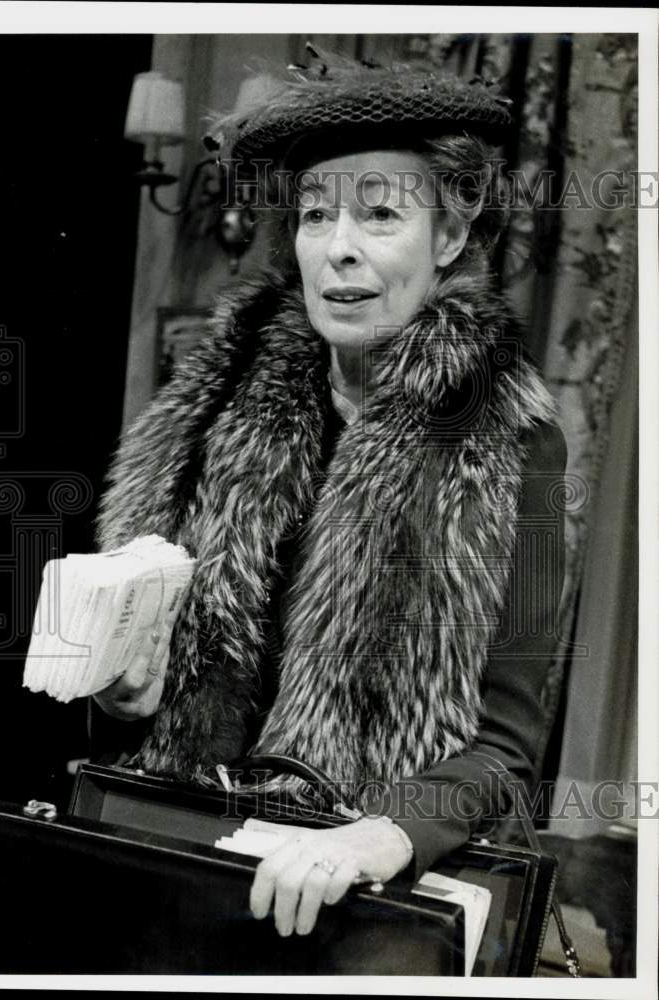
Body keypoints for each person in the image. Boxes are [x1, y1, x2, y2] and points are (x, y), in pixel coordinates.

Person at [91, 52, 567, 940]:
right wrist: (121, 689)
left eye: (381, 214)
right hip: (181, 868)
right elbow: (141, 697)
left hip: (364, 898)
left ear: (451, 239)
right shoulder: (205, 410)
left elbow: (505, 750)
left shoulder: (512, 439)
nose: (338, 245)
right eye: (316, 215)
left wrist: (378, 838)